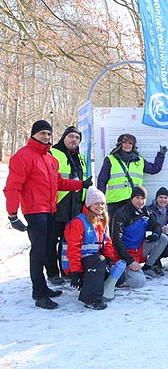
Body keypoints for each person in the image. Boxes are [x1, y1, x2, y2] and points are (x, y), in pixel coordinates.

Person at [4, 120, 90, 309]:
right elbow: (12, 187)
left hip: (51, 209)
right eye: (42, 133)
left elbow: (59, 183)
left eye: (49, 133)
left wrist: (81, 185)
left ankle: (43, 287)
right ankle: (39, 294)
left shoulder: (50, 158)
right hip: (35, 212)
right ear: (34, 134)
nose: (46, 137)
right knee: (39, 252)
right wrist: (12, 215)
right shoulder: (23, 156)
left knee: (46, 249)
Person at [64, 187, 118, 310]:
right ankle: (91, 298)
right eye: (96, 203)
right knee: (98, 260)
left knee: (118, 276)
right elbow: (73, 248)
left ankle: (93, 285)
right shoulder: (79, 222)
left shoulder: (102, 220)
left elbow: (107, 241)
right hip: (79, 262)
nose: (100, 206)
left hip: (93, 260)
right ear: (89, 204)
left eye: (102, 203)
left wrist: (110, 258)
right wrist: (76, 271)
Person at [48, 125, 88, 285]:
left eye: (77, 138)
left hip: (76, 204)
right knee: (52, 241)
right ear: (64, 137)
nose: (74, 140)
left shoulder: (81, 157)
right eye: (71, 136)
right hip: (58, 203)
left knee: (70, 241)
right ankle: (52, 272)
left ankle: (67, 269)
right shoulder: (53, 153)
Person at [97, 133, 166, 223]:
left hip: (134, 201)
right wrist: (100, 200)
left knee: (133, 230)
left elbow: (154, 169)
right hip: (116, 201)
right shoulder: (110, 160)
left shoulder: (139, 160)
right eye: (125, 142)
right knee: (116, 231)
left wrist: (161, 154)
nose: (127, 145)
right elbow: (102, 180)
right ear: (119, 144)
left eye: (130, 143)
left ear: (133, 145)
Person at [111, 186, 168, 287]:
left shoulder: (145, 211)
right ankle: (120, 272)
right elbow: (116, 240)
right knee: (139, 283)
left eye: (143, 198)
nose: (140, 201)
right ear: (131, 198)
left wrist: (155, 234)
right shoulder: (122, 213)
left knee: (163, 238)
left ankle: (147, 267)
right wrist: (130, 261)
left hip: (139, 248)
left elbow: (156, 225)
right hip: (125, 253)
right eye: (137, 198)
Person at [148, 187, 168, 266]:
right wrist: (158, 230)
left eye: (165, 198)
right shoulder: (149, 211)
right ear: (156, 199)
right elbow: (146, 227)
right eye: (160, 197)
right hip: (152, 238)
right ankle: (153, 262)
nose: (163, 200)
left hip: (164, 239)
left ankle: (156, 259)